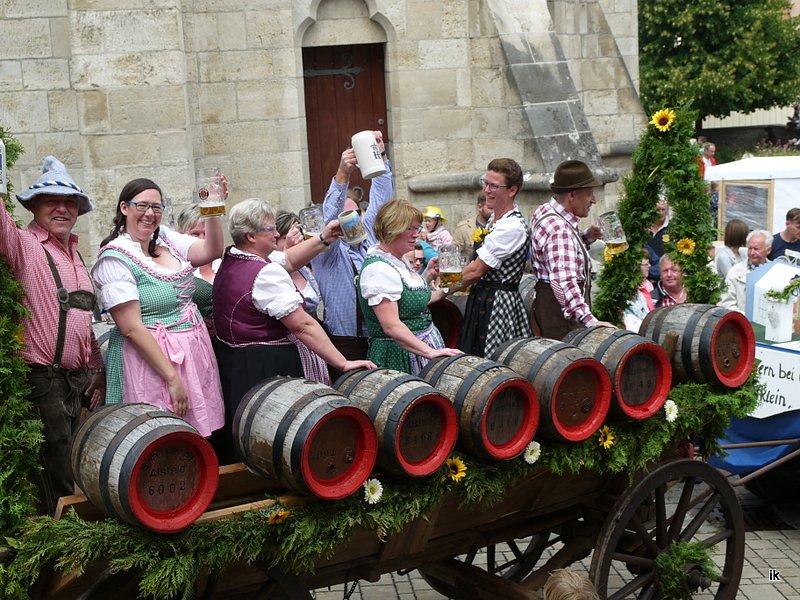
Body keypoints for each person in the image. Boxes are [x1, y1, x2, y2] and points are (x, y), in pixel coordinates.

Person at [213, 199, 375, 462]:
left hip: (235, 362)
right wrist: (342, 362)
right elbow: (303, 324)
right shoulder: (264, 274)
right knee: (278, 433)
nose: (277, 233)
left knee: (247, 430)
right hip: (266, 367)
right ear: (251, 236)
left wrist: (324, 237)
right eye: (270, 230)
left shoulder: (233, 256)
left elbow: (288, 258)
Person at [1, 156, 105, 515]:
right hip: (42, 378)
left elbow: (83, 321)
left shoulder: (75, 255)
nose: (62, 208)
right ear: (33, 206)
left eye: (69, 202)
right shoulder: (24, 245)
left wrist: (97, 368)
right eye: (51, 201)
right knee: (55, 463)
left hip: (76, 381)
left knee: (73, 459)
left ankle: (71, 537)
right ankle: (60, 545)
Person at [92, 178, 224, 438]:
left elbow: (212, 249)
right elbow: (131, 328)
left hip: (191, 355)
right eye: (142, 205)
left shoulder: (164, 238)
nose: (150, 213)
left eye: (156, 207)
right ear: (124, 208)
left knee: (195, 437)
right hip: (151, 364)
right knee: (158, 435)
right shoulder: (115, 258)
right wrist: (173, 379)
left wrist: (213, 208)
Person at [310, 133, 393, 373]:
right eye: (344, 216)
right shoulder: (327, 251)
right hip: (345, 342)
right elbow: (330, 212)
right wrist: (342, 174)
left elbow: (382, 200)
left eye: (355, 212)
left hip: (379, 338)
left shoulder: (369, 239)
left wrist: (380, 155)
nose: (351, 219)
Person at [358, 200, 461, 374]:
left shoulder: (399, 259)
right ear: (392, 228)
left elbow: (416, 300)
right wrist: (429, 352)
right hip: (400, 355)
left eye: (417, 228)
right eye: (409, 229)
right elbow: (391, 326)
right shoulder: (378, 269)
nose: (416, 234)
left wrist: (433, 277)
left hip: (422, 348)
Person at [455, 158, 531, 357]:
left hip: (498, 305)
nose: (486, 190)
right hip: (482, 298)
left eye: (494, 185)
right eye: (485, 183)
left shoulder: (511, 226)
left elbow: (476, 270)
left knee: (492, 360)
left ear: (512, 190)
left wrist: (441, 290)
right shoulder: (495, 219)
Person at [530, 159, 612, 341]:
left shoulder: (545, 211)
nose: (593, 200)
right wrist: (589, 320)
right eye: (589, 194)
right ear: (572, 195)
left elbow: (555, 254)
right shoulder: (559, 229)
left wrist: (586, 237)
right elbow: (563, 280)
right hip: (562, 321)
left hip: (549, 310)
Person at [275, 210, 322, 317]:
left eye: (298, 235)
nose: (295, 241)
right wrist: (287, 250)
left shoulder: (305, 268)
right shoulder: (271, 270)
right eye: (285, 238)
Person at [719, 229, 772, 313]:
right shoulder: (735, 273)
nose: (752, 253)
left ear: (768, 250)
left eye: (756, 249)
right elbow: (727, 304)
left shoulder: (775, 273)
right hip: (743, 323)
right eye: (750, 248)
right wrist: (746, 318)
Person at [176, 204, 221, 284]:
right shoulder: (175, 268)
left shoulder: (224, 265)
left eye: (207, 234)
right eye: (195, 234)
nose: (202, 239)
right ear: (180, 233)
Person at [622, 249, 656, 332]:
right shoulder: (628, 292)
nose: (650, 266)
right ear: (637, 267)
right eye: (646, 264)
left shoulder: (647, 286)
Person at [453, 191, 493, 258]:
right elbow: (453, 254)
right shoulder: (464, 228)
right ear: (480, 207)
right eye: (491, 208)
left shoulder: (502, 226)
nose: (494, 212)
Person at [646, 196, 669, 281]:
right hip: (645, 277)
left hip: (666, 275)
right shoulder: (645, 229)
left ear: (667, 211)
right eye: (658, 210)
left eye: (663, 210)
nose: (660, 212)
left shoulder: (672, 229)